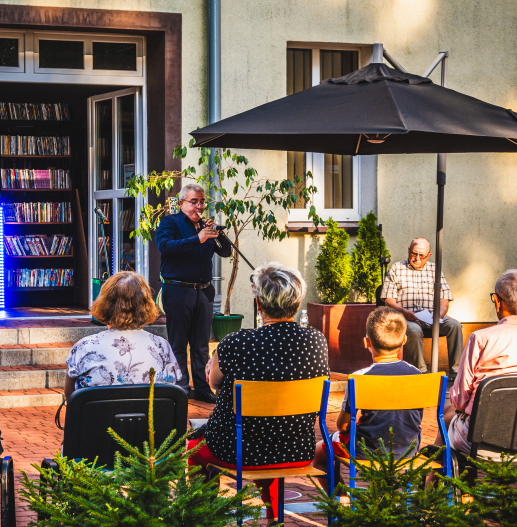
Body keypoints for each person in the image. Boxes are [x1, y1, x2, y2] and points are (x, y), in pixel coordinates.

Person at [188, 262, 329, 520]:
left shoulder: (235, 342)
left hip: (236, 450)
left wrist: (213, 367)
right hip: (296, 449)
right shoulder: (316, 340)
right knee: (272, 430)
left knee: (195, 448)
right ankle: (274, 518)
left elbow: (214, 384)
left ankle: (203, 519)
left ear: (258, 305)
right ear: (297, 305)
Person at [436, 269, 517, 460]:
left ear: (496, 300)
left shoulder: (481, 339)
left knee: (446, 416)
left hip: (481, 444)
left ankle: (432, 483)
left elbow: (460, 401)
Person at [312, 306, 422, 490]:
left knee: (319, 453)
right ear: (404, 340)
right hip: (408, 448)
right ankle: (383, 496)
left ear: (366, 342)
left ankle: (341, 500)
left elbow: (343, 426)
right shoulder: (418, 374)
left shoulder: (359, 378)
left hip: (368, 449)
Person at [155, 183, 231, 403]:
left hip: (204, 292)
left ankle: (202, 388)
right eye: (194, 201)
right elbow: (166, 247)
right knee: (178, 342)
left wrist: (217, 232)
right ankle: (181, 388)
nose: (199, 206)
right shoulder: (170, 222)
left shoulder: (206, 227)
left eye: (202, 201)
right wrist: (197, 239)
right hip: (178, 290)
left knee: (201, 344)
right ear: (182, 203)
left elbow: (225, 251)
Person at [65, 271, 181, 397]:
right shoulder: (161, 346)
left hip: (100, 416)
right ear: (145, 305)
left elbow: (71, 398)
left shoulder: (84, 346)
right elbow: (172, 389)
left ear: (105, 304)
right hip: (149, 416)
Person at [381, 237, 463, 374]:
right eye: (414, 253)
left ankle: (456, 371)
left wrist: (439, 315)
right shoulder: (396, 268)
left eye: (421, 255)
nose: (417, 258)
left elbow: (444, 299)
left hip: (432, 315)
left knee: (455, 326)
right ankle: (422, 371)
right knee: (413, 330)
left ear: (428, 256)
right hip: (407, 316)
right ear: (408, 251)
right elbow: (388, 300)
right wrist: (404, 312)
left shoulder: (435, 270)